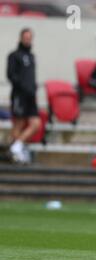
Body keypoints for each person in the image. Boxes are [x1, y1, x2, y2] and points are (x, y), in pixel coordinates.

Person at [7, 28, 41, 164]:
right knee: (19, 124)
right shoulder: (14, 55)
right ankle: (17, 153)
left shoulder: (32, 56)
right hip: (19, 95)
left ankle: (15, 146)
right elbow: (11, 75)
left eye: (29, 38)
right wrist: (23, 87)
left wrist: (33, 89)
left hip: (31, 96)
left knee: (36, 123)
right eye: (25, 37)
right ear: (21, 38)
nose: (27, 40)